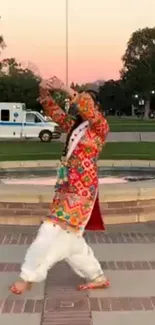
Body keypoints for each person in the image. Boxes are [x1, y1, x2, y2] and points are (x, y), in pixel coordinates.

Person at [10, 77, 110, 294]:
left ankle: (28, 276)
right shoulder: (76, 127)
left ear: (96, 106)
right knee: (71, 239)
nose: (86, 104)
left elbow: (87, 109)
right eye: (85, 99)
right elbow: (55, 113)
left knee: (50, 228)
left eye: (90, 101)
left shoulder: (100, 127)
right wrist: (44, 92)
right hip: (66, 188)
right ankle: (97, 276)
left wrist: (65, 88)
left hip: (82, 192)